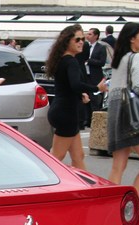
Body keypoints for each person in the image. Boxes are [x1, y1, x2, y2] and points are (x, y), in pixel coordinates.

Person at [45, 24, 107, 170]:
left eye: (83, 39)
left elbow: (67, 86)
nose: (81, 42)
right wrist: (96, 88)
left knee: (78, 156)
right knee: (56, 158)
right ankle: (41, 187)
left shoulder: (63, 60)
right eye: (77, 39)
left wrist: (81, 95)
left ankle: (83, 191)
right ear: (67, 41)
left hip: (63, 111)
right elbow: (75, 84)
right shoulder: (70, 61)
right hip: (66, 113)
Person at [107, 22, 139, 199]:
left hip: (117, 114)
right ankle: (130, 205)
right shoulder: (137, 58)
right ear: (132, 39)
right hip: (134, 117)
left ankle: (111, 210)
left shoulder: (119, 60)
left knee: (118, 166)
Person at [84, 28, 107, 120]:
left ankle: (95, 120)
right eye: (87, 34)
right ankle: (86, 119)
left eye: (90, 34)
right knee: (86, 98)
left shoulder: (101, 48)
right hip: (86, 76)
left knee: (95, 99)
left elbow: (102, 62)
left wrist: (89, 61)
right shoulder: (85, 46)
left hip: (95, 77)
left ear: (96, 36)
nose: (87, 36)